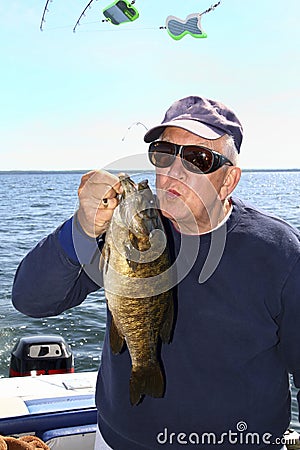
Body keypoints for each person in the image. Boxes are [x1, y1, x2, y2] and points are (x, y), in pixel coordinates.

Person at [12, 96, 300, 450]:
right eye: (164, 154)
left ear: (229, 181)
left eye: (198, 159)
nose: (174, 171)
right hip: (117, 439)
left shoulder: (281, 254)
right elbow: (31, 300)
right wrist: (81, 229)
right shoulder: (130, 232)